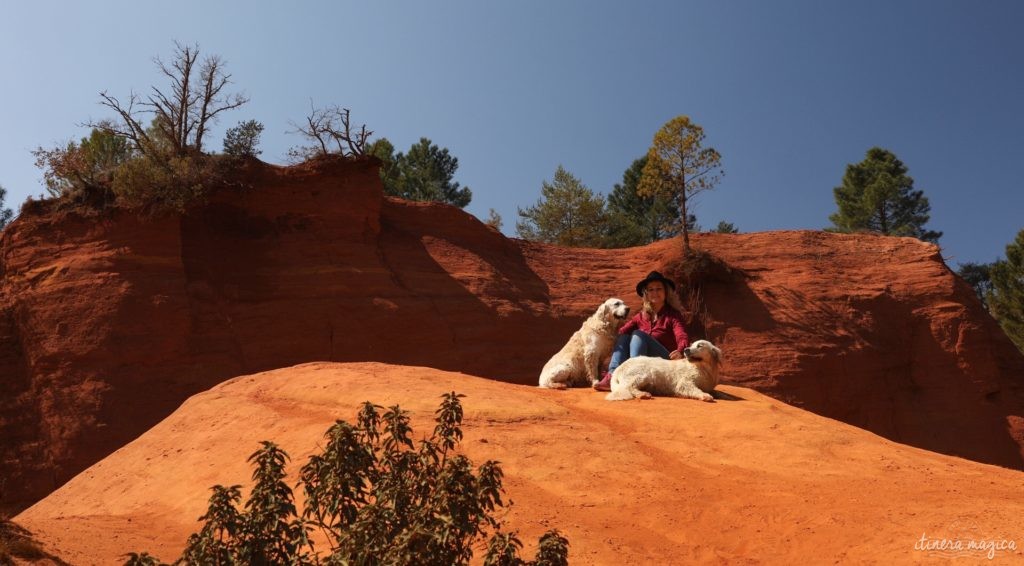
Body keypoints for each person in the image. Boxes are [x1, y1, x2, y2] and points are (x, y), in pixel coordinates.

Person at [593, 270, 689, 392]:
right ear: (646, 294)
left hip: (664, 364)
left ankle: (633, 376)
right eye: (651, 290)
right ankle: (611, 376)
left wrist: (680, 350)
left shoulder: (673, 315)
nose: (655, 293)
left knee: (638, 334)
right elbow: (622, 331)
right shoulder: (641, 316)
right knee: (624, 336)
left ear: (666, 292)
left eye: (659, 289)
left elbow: (682, 335)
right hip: (644, 363)